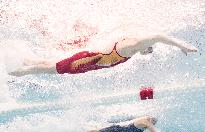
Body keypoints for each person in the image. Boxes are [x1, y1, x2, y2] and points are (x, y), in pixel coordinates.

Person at [9, 33, 197, 76]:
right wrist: (182, 46)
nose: (147, 51)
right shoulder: (131, 46)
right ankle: (15, 71)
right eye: (148, 49)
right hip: (86, 60)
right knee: (51, 69)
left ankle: (22, 58)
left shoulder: (131, 51)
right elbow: (157, 36)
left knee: (50, 63)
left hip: (89, 63)